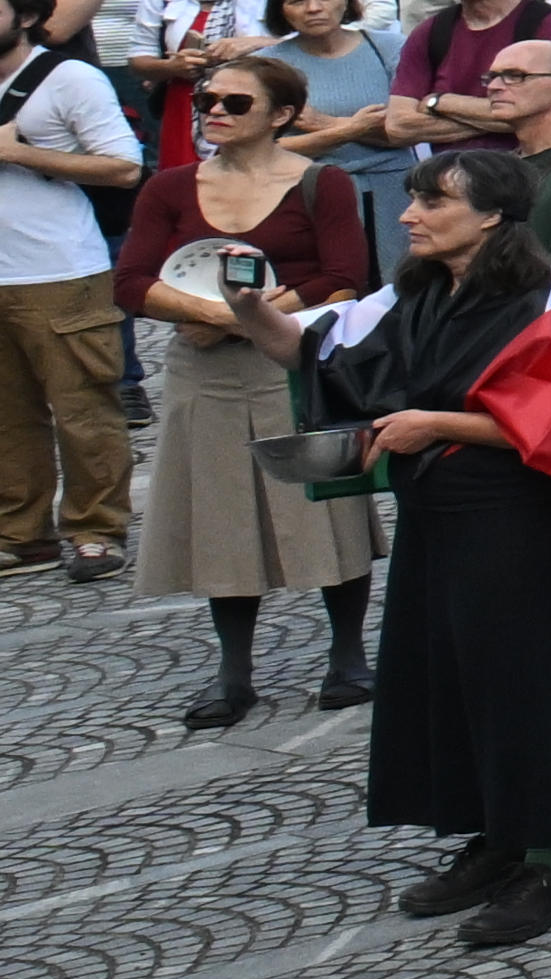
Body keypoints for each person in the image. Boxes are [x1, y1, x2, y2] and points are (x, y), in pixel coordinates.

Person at [315, 140, 551, 948]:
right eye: (414, 199)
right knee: (442, 674)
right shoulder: (422, 290)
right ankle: (494, 837)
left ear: (492, 215)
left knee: (516, 681)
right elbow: (327, 349)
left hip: (517, 511)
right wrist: (239, 305)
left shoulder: (549, 299)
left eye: (433, 202)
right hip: (438, 508)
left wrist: (435, 423)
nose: (410, 215)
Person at [116, 44, 372, 730]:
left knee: (324, 509)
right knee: (221, 516)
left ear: (282, 114)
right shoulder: (170, 187)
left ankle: (348, 656)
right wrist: (210, 315)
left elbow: (344, 275)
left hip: (292, 362)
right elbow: (132, 280)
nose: (214, 113)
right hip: (205, 368)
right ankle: (234, 671)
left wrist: (255, 316)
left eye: (235, 103)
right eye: (206, 102)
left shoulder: (322, 183)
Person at [0, 0, 127, 579]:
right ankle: (21, 533)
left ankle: (96, 530)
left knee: (83, 407)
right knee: (7, 413)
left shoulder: (68, 77)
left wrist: (22, 153)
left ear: (24, 15)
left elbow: (124, 166)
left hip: (59, 270)